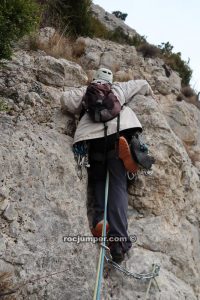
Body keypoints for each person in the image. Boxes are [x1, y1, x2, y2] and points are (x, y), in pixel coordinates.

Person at [60, 67, 155, 263]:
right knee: (118, 187)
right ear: (110, 81)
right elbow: (142, 84)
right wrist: (151, 94)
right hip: (119, 133)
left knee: (98, 182)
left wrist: (85, 94)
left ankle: (100, 221)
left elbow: (65, 101)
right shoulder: (118, 89)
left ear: (96, 79)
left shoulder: (87, 91)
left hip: (92, 142)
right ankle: (118, 243)